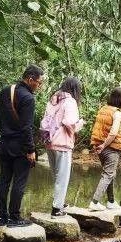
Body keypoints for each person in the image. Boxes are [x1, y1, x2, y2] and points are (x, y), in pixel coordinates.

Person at [0, 64, 43, 226]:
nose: (39, 85)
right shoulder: (28, 98)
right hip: (20, 146)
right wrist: (30, 150)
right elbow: (26, 127)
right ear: (30, 80)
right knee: (19, 182)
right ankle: (14, 218)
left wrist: (4, 134)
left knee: (4, 180)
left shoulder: (6, 90)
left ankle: (1, 218)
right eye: (39, 82)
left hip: (5, 142)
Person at [42, 77, 83, 216]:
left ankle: (59, 202)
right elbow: (68, 122)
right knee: (63, 176)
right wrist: (79, 125)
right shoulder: (70, 101)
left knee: (56, 174)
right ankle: (57, 208)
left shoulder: (53, 99)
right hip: (63, 143)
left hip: (49, 142)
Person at [88, 87, 121, 211]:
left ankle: (111, 201)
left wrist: (99, 146)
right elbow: (113, 132)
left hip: (100, 147)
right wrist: (105, 145)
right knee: (108, 174)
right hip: (111, 147)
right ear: (120, 99)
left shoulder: (103, 109)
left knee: (110, 173)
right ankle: (94, 202)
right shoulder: (117, 112)